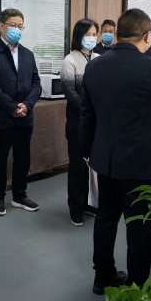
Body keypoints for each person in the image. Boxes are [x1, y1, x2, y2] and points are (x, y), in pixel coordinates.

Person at [80, 8, 151, 294]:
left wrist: (87, 151)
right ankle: (137, 285)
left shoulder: (95, 66)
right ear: (146, 35)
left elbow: (87, 114)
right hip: (141, 164)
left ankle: (102, 276)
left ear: (118, 34)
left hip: (105, 159)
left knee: (106, 219)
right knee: (139, 225)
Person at [0, 8, 41, 217]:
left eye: (20, 26)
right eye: (13, 25)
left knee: (23, 158)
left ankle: (19, 195)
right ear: (1, 26)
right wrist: (12, 106)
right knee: (0, 159)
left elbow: (36, 83)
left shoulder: (28, 54)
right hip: (2, 116)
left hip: (25, 116)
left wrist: (27, 105)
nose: (17, 29)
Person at [61, 18, 100, 227]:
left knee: (93, 168)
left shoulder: (100, 59)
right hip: (78, 122)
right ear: (79, 36)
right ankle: (75, 207)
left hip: (97, 123)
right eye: (87, 34)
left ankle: (89, 204)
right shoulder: (70, 60)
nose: (92, 38)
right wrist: (90, 110)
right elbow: (70, 93)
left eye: (94, 34)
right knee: (77, 167)